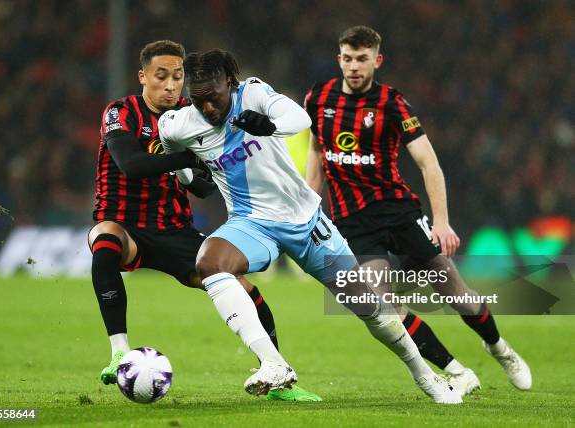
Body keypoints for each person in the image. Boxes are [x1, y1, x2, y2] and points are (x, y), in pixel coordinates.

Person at [158, 49, 462, 404]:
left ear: (229, 83)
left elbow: (299, 117)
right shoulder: (180, 123)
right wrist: (189, 177)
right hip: (251, 223)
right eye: (198, 101)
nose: (208, 108)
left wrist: (267, 125)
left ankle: (427, 378)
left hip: (306, 223)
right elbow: (170, 149)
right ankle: (273, 363)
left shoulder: (252, 93)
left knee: (373, 310)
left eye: (213, 98)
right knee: (210, 263)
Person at [304, 25, 532, 395]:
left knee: (457, 295)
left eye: (362, 59)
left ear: (377, 61)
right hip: (352, 220)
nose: (354, 67)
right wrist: (311, 207)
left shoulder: (392, 103)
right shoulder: (319, 98)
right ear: (338, 59)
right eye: (347, 58)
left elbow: (429, 163)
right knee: (384, 307)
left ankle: (499, 348)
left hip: (399, 212)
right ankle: (457, 371)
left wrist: (441, 221)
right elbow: (317, 152)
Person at [88, 40, 320, 402]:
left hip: (174, 229)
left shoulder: (190, 116)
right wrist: (182, 159)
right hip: (124, 223)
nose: (170, 85)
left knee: (241, 288)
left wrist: (192, 172)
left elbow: (202, 186)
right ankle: (119, 351)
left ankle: (275, 372)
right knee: (105, 240)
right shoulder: (121, 112)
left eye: (177, 77)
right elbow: (130, 165)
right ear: (143, 77)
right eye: (160, 76)